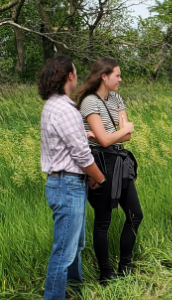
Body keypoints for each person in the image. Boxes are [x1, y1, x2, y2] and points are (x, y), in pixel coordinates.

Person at [39, 55, 105, 299]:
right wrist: (100, 178)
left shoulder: (53, 106)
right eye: (76, 73)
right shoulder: (65, 109)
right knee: (64, 252)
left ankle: (74, 293)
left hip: (64, 183)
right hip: (68, 185)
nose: (77, 78)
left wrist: (83, 133)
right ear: (69, 76)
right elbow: (82, 156)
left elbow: (65, 141)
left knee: (74, 247)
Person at [75, 57, 143, 285]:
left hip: (120, 160)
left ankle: (125, 266)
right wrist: (116, 133)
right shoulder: (89, 102)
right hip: (101, 162)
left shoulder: (116, 98)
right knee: (103, 221)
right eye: (117, 75)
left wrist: (114, 134)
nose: (121, 79)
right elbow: (105, 139)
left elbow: (127, 135)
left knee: (135, 214)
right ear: (104, 76)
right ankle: (105, 273)